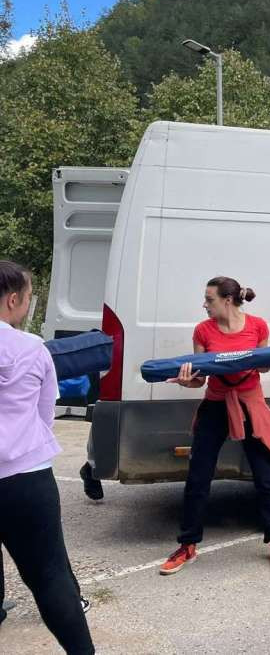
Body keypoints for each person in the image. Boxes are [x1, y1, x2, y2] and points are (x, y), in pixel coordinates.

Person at [159, 277, 270, 575]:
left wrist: (254, 359)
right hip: (216, 405)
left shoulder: (258, 326)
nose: (204, 305)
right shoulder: (203, 330)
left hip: (249, 403)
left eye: (210, 299)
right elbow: (200, 380)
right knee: (198, 477)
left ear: (227, 300)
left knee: (265, 475)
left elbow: (264, 366)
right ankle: (188, 544)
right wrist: (185, 380)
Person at [0, 261, 95, 653]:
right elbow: (45, 412)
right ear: (13, 299)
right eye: (28, 296)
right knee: (50, 576)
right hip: (26, 478)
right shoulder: (32, 349)